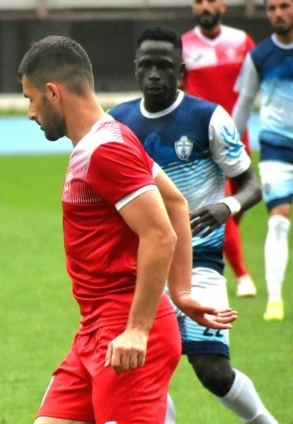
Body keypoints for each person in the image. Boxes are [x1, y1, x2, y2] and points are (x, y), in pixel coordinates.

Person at [18, 35, 236, 424]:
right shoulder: (111, 136)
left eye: (31, 99)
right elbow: (175, 203)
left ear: (53, 92)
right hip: (95, 331)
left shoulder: (107, 150)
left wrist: (138, 329)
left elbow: (160, 233)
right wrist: (181, 293)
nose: (31, 112)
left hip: (126, 333)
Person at [109, 26, 276, 424]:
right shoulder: (118, 123)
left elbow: (252, 185)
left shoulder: (207, 117)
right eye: (146, 65)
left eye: (163, 66)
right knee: (143, 370)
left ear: (180, 70)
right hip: (144, 268)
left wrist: (227, 206)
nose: (154, 74)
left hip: (201, 265)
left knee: (212, 370)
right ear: (135, 68)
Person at [182, 0, 257, 298]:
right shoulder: (184, 45)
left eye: (211, 1)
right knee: (222, 200)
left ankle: (212, 249)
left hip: (238, 136)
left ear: (223, 6)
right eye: (199, 2)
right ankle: (242, 275)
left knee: (239, 200)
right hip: (203, 139)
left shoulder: (241, 41)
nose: (205, 7)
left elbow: (257, 82)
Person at [233, 0, 293, 322]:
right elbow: (244, 103)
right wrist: (228, 147)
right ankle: (275, 299)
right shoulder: (258, 56)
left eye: (285, 6)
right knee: (278, 219)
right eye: (272, 8)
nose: (278, 14)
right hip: (275, 149)